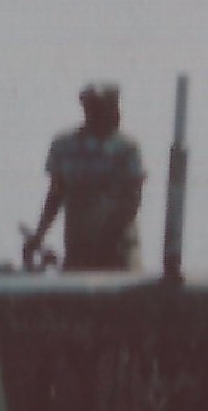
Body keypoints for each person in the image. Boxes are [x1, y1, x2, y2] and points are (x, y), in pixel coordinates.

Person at [27, 83, 146, 272]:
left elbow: (133, 199)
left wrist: (107, 236)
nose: (116, 114)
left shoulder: (127, 149)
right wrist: (39, 235)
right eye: (106, 108)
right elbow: (55, 195)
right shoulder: (64, 146)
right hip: (79, 246)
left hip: (118, 248)